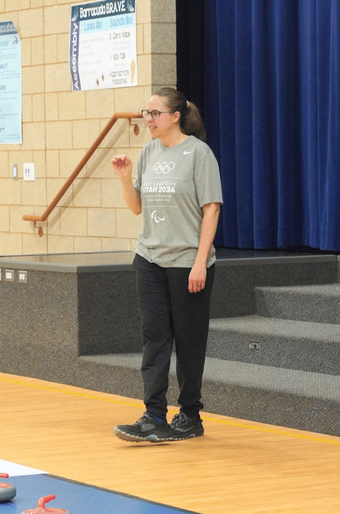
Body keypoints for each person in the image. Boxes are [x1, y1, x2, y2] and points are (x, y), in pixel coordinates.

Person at [110, 88, 223, 442]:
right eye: (146, 112)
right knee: (154, 337)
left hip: (187, 261)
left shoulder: (198, 154)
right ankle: (154, 415)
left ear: (175, 116)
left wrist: (200, 262)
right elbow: (137, 208)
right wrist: (126, 180)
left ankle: (190, 415)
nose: (148, 119)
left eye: (155, 113)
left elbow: (212, 209)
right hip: (149, 258)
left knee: (189, 340)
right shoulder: (148, 152)